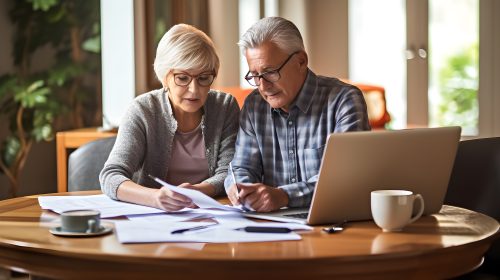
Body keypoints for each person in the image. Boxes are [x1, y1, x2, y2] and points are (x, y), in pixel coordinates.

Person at [225, 17, 371, 212]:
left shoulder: (344, 100)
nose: (263, 86)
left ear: (301, 61)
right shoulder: (254, 105)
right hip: (271, 228)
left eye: (270, 72)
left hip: (332, 226)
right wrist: (239, 188)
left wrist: (284, 196)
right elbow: (241, 167)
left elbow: (346, 180)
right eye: (255, 75)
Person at [100, 24, 240, 211]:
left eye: (204, 78)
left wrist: (196, 192)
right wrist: (155, 197)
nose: (194, 90)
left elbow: (229, 172)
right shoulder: (142, 110)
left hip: (210, 214)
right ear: (165, 77)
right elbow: (111, 176)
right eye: (182, 78)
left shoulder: (225, 106)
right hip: (153, 216)